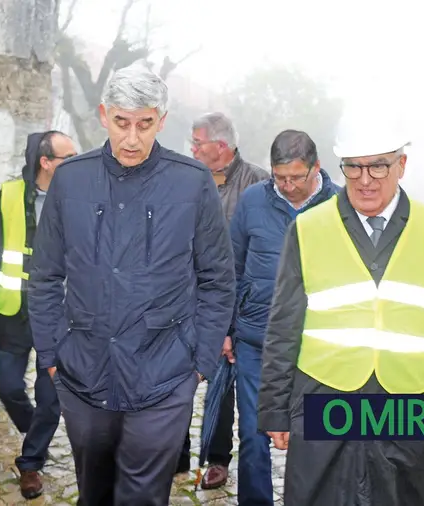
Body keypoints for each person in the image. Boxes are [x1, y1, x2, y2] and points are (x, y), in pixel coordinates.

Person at [258, 110, 424, 505]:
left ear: (401, 165)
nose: (365, 180)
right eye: (353, 168)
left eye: (378, 166)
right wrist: (274, 410)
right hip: (323, 398)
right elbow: (284, 324)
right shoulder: (307, 229)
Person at [28, 63, 235, 505]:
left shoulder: (192, 182)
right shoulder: (72, 178)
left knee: (142, 497)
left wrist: (198, 362)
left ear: (161, 120)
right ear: (105, 115)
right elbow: (45, 275)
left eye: (145, 124)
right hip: (83, 371)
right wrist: (51, 352)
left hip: (165, 374)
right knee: (94, 493)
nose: (132, 137)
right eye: (122, 122)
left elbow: (218, 279)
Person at [231, 130, 339, 505]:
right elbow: (233, 266)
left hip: (319, 347)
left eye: (297, 177)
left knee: (316, 437)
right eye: (281, 177)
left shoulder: (342, 207)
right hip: (256, 340)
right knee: (252, 433)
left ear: (317, 168)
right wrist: (228, 330)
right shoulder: (251, 202)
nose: (289, 186)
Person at [0, 130, 77, 499]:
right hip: (13, 311)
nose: (76, 163)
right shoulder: (6, 197)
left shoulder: (78, 198)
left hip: (59, 316)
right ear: (46, 162)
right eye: (68, 157)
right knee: (10, 388)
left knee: (51, 397)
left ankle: (30, 463)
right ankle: (39, 435)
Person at [178, 112, 269, 487]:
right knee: (175, 380)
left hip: (233, 303)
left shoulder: (258, 184)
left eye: (197, 143)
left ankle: (216, 459)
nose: (192, 149)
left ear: (220, 146)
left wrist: (236, 319)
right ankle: (175, 454)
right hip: (183, 299)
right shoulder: (185, 179)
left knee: (223, 384)